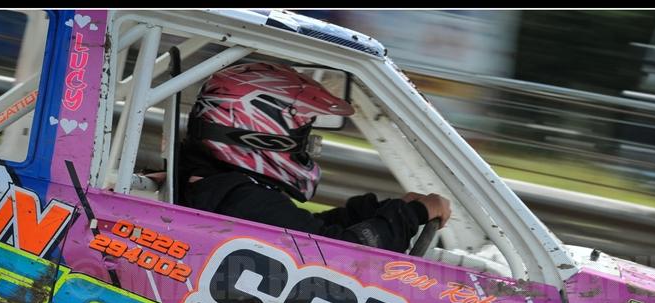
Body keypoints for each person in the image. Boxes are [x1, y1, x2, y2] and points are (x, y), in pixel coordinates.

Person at [177, 62, 451, 253]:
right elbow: (343, 255)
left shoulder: (214, 187)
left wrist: (378, 212)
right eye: (300, 137)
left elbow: (313, 231)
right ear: (261, 133)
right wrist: (413, 214)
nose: (305, 147)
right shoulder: (239, 198)